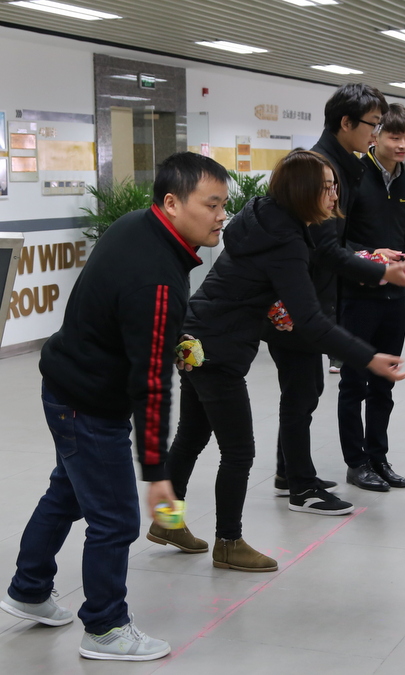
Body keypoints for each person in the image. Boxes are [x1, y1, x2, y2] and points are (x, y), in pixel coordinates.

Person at [0, 152, 230, 661]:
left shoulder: (137, 224)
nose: (221, 217)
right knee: (117, 519)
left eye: (223, 205)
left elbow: (121, 315)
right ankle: (105, 628)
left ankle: (29, 589)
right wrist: (157, 472)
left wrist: (167, 338)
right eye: (212, 205)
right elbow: (150, 385)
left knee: (67, 493)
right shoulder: (158, 278)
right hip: (88, 404)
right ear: (172, 203)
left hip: (65, 383)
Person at [162, 151, 405, 562]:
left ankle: (166, 522)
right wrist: (367, 357)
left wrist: (381, 271)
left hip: (197, 335)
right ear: (303, 190)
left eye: (334, 186)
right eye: (327, 187)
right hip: (218, 349)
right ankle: (229, 543)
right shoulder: (285, 241)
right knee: (238, 451)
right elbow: (310, 320)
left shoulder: (267, 215)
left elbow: (329, 257)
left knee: (192, 435)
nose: (334, 195)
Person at [260, 84, 405, 511]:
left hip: (312, 296)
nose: (378, 135)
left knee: (306, 388)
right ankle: (300, 486)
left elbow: (332, 245)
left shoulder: (343, 166)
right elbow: (326, 249)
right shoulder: (322, 167)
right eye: (375, 126)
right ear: (347, 123)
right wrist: (381, 268)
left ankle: (289, 471)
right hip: (298, 299)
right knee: (302, 392)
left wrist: (378, 258)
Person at [338, 103, 405, 492]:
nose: (402, 145)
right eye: (394, 136)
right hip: (358, 295)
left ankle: (378, 457)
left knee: (384, 383)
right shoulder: (354, 176)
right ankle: (356, 463)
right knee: (354, 382)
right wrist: (372, 254)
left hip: (395, 295)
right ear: (376, 135)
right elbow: (338, 241)